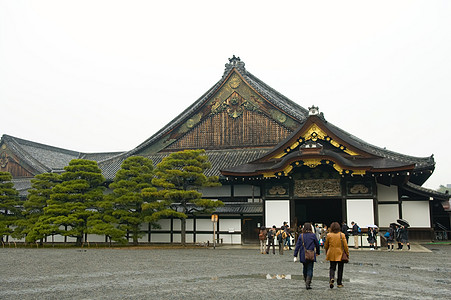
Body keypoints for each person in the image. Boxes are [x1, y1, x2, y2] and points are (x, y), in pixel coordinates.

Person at [293, 222, 321, 290]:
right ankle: (308, 283)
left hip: (303, 254)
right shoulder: (313, 235)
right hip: (311, 254)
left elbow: (297, 246)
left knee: (304, 268)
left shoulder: (301, 236)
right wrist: (318, 252)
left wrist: (295, 255)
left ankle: (306, 280)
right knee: (310, 269)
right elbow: (317, 245)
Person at [325, 222, 349, 289]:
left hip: (332, 253)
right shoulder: (342, 235)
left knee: (332, 267)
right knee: (340, 268)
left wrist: (327, 252)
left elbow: (326, 245)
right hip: (340, 253)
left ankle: (332, 278)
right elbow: (345, 246)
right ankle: (339, 282)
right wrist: (347, 253)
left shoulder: (329, 235)